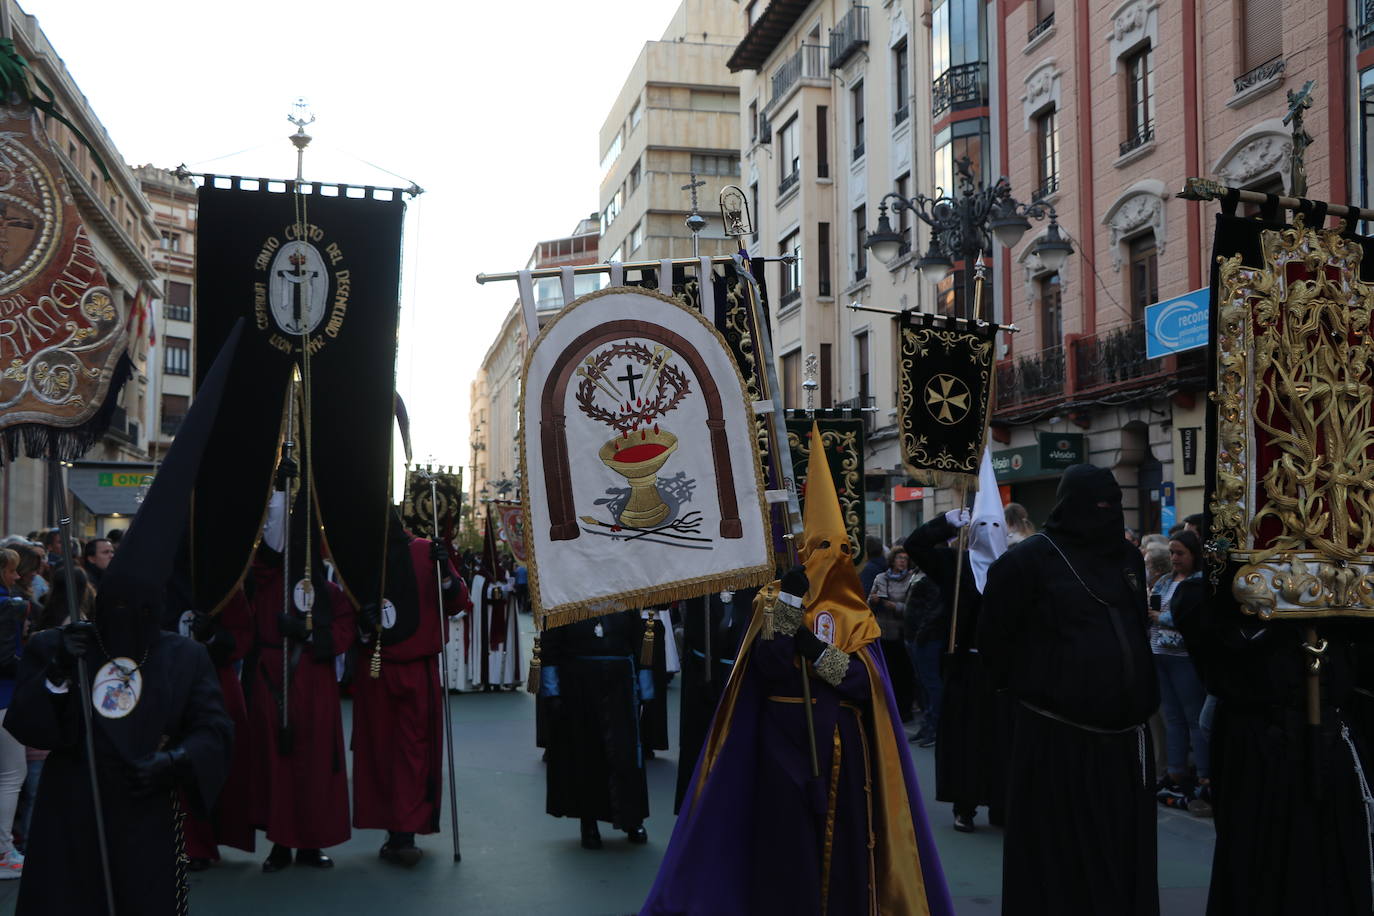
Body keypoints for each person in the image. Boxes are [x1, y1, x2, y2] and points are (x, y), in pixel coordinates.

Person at [642, 422, 953, 916]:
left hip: (844, 753)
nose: (827, 559)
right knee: (785, 853)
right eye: (819, 548)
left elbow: (857, 682)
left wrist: (810, 649)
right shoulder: (778, 599)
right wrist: (786, 606)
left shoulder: (856, 614)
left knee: (844, 845)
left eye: (837, 550)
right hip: (780, 745)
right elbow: (769, 668)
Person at [5, 323, 239, 914]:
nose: (128, 616)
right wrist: (60, 670)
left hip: (145, 816)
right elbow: (31, 727)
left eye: (143, 607)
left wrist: (174, 764)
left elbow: (215, 731)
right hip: (67, 817)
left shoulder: (181, 657)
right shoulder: (63, 645)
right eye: (118, 603)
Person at [980, 464, 1159, 915]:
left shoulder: (1127, 558)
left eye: (1113, 502)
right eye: (1097, 503)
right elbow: (996, 649)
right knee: (1058, 864)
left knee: (1120, 865)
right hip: (1056, 743)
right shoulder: (1025, 563)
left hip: (1124, 746)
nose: (1107, 512)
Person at [245, 482, 356, 873]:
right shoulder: (269, 579)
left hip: (316, 683)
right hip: (274, 680)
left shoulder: (330, 592)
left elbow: (345, 630)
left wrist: (308, 634)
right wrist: (277, 492)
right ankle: (279, 844)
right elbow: (268, 551)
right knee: (276, 763)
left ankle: (311, 843)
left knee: (314, 763)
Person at [352, 509, 468, 866]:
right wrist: (361, 621)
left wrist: (445, 574)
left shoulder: (425, 551)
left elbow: (459, 601)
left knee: (414, 751)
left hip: (417, 668)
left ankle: (405, 831)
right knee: (380, 750)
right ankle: (393, 827)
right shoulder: (360, 557)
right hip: (375, 667)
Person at [905, 452, 1009, 834]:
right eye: (983, 524)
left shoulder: (1016, 569)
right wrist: (943, 525)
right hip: (965, 665)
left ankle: (1002, 802)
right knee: (966, 740)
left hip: (1002, 671)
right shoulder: (955, 565)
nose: (989, 530)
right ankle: (964, 805)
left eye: (995, 525)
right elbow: (915, 547)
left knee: (1000, 739)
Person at [541, 609, 652, 849]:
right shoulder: (567, 594)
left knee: (625, 753)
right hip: (579, 685)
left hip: (621, 684)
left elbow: (639, 639)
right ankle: (588, 822)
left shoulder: (624, 590)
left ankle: (632, 818)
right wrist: (553, 689)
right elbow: (551, 643)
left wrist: (645, 683)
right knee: (586, 751)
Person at [672, 589, 753, 812]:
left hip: (741, 678)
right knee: (699, 746)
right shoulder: (702, 584)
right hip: (702, 676)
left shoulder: (757, 587)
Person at [1148, 531, 1209, 816]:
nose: (1174, 558)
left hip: (1184, 656)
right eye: (1172, 553)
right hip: (1160, 653)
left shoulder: (1198, 583)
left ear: (1193, 554)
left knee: (1193, 718)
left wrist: (1161, 618)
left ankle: (1204, 775)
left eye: (1180, 553)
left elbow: (1188, 616)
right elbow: (1152, 606)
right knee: (1172, 718)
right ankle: (1174, 771)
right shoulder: (1165, 580)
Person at [868, 546, 918, 722]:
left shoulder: (911, 580)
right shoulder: (881, 578)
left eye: (905, 558)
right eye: (899, 558)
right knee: (886, 672)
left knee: (903, 674)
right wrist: (874, 600)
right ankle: (888, 709)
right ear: (892, 560)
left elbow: (912, 608)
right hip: (883, 632)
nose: (902, 561)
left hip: (901, 633)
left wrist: (894, 606)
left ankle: (904, 710)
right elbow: (869, 602)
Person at [0, 549, 27, 879]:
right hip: (4, 699)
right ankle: (4, 852)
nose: (17, 576)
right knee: (10, 776)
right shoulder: (8, 606)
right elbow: (5, 659)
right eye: (11, 571)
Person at [904, 564, 945, 747]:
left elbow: (932, 611)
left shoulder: (933, 577)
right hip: (914, 636)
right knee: (922, 683)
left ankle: (934, 726)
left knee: (930, 684)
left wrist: (920, 634)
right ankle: (927, 723)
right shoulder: (918, 573)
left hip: (926, 639)